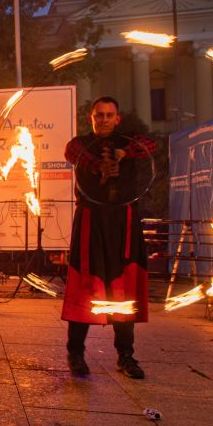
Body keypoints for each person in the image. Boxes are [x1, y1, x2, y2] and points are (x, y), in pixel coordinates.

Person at [61, 97, 156, 378]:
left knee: (122, 287)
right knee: (86, 283)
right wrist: (98, 166)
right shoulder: (80, 144)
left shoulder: (130, 141)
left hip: (123, 221)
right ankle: (75, 351)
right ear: (91, 118)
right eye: (98, 115)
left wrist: (121, 154)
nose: (103, 119)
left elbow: (150, 146)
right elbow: (74, 152)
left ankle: (125, 355)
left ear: (117, 118)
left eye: (109, 115)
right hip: (92, 219)